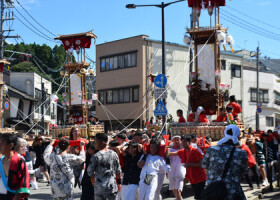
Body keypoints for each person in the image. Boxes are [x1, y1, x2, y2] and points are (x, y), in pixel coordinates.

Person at [201, 125, 248, 200]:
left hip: (213, 192)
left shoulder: (211, 150)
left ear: (225, 134)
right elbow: (244, 172)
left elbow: (205, 169)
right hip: (232, 192)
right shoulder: (241, 153)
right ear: (238, 136)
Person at [169, 135, 206, 200]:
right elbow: (171, 153)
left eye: (185, 141)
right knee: (198, 196)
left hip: (200, 178)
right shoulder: (183, 151)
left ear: (189, 142)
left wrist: (190, 164)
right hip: (192, 178)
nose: (183, 143)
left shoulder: (195, 151)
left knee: (199, 197)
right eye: (182, 141)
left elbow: (203, 164)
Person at [87, 133, 122, 200]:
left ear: (102, 142)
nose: (94, 143)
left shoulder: (96, 156)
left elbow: (89, 172)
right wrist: (119, 183)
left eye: (96, 141)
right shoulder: (114, 154)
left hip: (100, 188)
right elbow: (118, 170)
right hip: (111, 186)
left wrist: (94, 175)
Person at [0, 133, 30, 200]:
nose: (0, 145)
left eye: (2, 143)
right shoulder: (0, 161)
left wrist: (18, 196)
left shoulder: (19, 161)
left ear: (10, 145)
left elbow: (24, 180)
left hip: (15, 196)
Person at [168, 136, 186, 200]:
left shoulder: (183, 149)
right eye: (175, 140)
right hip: (171, 171)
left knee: (178, 189)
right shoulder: (169, 150)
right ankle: (179, 198)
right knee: (174, 189)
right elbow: (167, 162)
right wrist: (166, 171)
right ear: (172, 141)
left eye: (178, 140)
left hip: (180, 171)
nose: (176, 141)